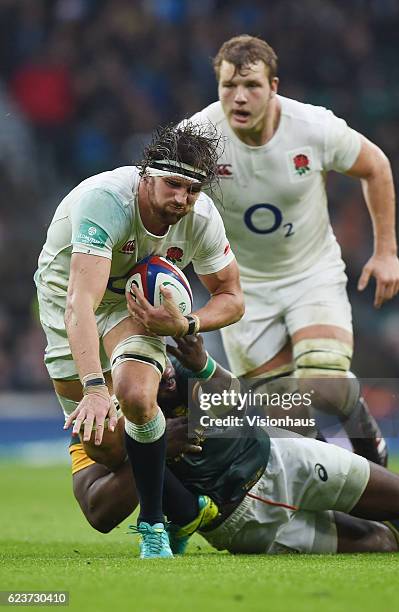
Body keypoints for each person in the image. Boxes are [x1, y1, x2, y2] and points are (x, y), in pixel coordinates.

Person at [187, 35, 399, 465]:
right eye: (228, 86)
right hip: (241, 286)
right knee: (287, 416)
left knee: (324, 384)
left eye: (251, 85)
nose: (239, 97)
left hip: (311, 272)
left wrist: (386, 252)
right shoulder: (199, 137)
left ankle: (369, 448)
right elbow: (160, 191)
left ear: (274, 87)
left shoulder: (313, 127)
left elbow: (375, 166)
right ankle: (350, 484)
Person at [34, 122, 244, 558]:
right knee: (107, 447)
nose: (181, 200)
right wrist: (93, 387)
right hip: (69, 298)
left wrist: (186, 325)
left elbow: (232, 297)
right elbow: (81, 303)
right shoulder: (106, 201)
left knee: (134, 395)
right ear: (146, 173)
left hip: (136, 309)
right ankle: (183, 506)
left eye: (192, 190)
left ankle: (153, 527)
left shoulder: (201, 218)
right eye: (172, 184)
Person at [70, 334, 399, 555]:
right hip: (242, 523)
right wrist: (153, 448)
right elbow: (98, 511)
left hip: (283, 458)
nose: (162, 368)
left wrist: (206, 366)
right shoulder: (95, 419)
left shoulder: (180, 367)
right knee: (382, 542)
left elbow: (246, 405)